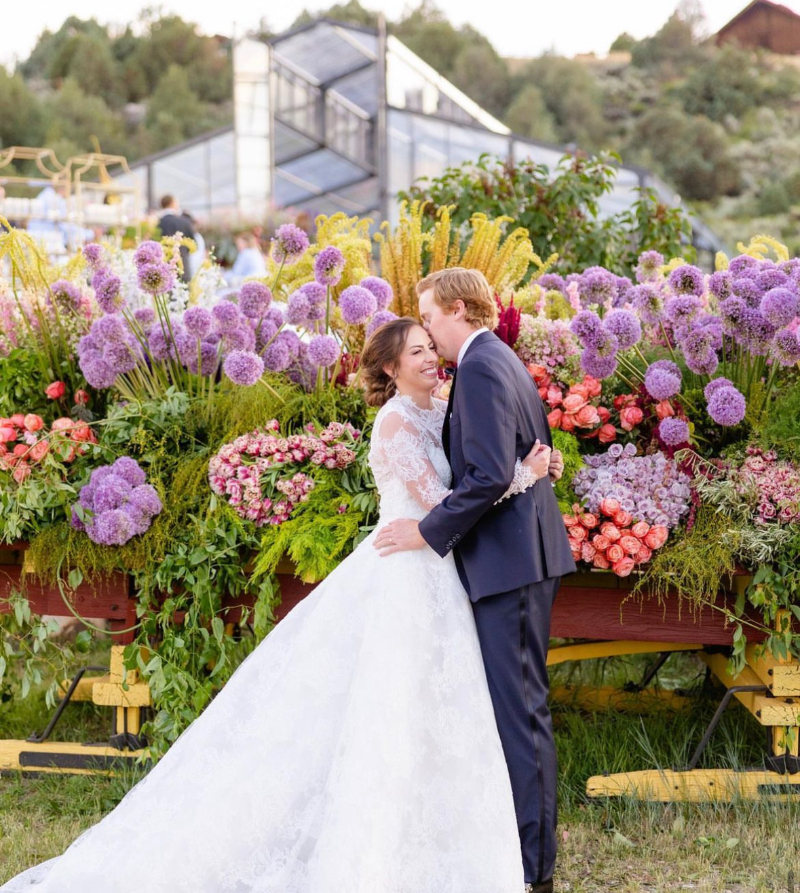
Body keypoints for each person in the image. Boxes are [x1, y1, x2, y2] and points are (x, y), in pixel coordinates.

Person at [1, 317, 555, 893]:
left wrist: (533, 461)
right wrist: (523, 477)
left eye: (428, 348)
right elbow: (444, 500)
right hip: (406, 568)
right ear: (390, 368)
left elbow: (475, 468)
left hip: (440, 570)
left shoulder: (443, 407)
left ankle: (445, 831)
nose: (429, 358)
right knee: (388, 703)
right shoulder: (393, 422)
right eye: (415, 352)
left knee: (438, 701)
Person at [374, 268, 576, 893]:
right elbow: (518, 457)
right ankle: (516, 852)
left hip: (511, 566)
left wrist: (428, 531)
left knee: (521, 716)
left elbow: (488, 476)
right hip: (517, 559)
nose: (429, 335)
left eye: (430, 317)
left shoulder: (484, 366)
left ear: (459, 309)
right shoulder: (496, 360)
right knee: (518, 712)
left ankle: (531, 869)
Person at [158, 195, 196, 283]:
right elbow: (193, 243)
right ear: (173, 203)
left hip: (163, 269)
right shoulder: (184, 221)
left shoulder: (157, 223)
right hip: (183, 268)